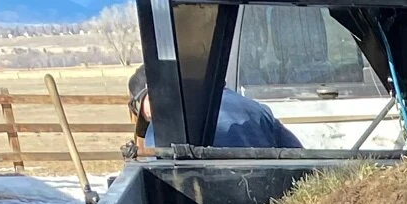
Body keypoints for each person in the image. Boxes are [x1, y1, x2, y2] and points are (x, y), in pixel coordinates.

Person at [127, 69, 303, 150]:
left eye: (143, 110)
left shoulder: (164, 127)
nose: (148, 117)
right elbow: (298, 156)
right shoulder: (257, 109)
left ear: (153, 93)